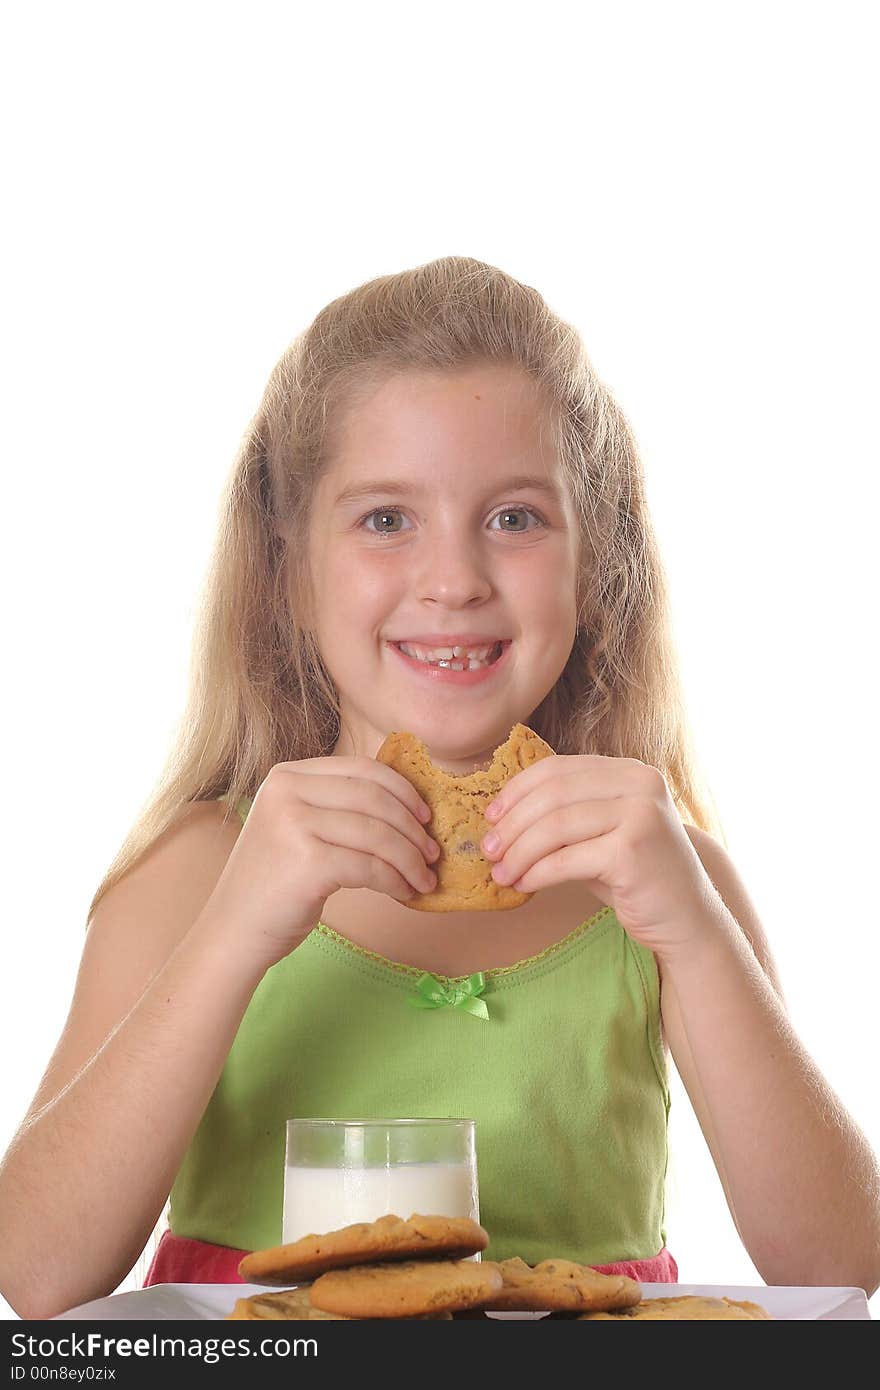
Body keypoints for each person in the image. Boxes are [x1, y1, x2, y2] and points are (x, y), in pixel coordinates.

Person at [1, 257, 878, 1320]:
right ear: (288, 566)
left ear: (593, 561)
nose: (454, 578)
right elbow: (36, 1271)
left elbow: (837, 1265)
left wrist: (692, 932)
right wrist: (232, 932)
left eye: (513, 518)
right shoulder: (195, 872)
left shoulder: (659, 881)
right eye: (384, 519)